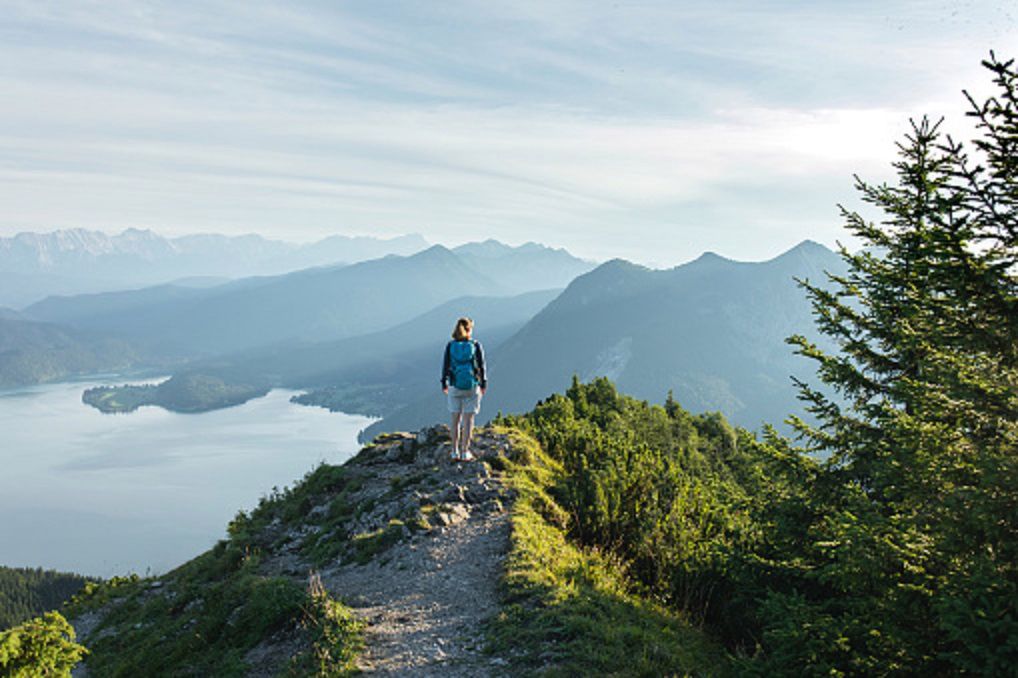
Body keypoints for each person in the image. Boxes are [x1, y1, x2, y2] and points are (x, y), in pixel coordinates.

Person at [441, 317, 487, 462]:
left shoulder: (450, 346)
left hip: (454, 386)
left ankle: (454, 451)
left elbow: (445, 366)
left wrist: (444, 383)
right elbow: (481, 365)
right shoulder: (475, 345)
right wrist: (483, 383)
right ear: (469, 329)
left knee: (455, 420)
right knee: (468, 420)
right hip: (471, 386)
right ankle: (464, 451)